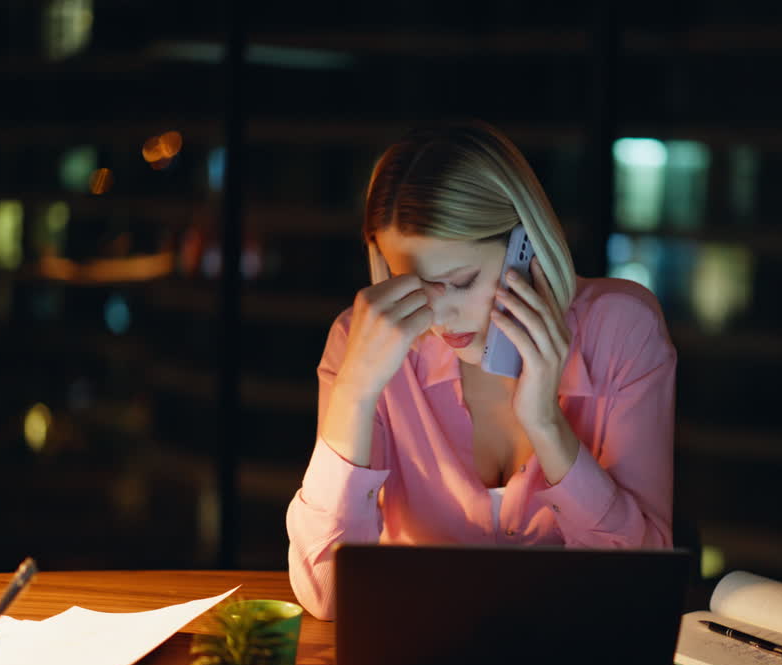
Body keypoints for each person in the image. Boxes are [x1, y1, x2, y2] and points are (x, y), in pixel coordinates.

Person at [286, 120, 676, 620]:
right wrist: (355, 393)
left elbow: (640, 587)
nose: (438, 316)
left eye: (461, 281)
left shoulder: (622, 330)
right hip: (418, 660)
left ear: (526, 247)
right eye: (411, 284)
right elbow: (328, 595)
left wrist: (547, 426)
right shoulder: (365, 341)